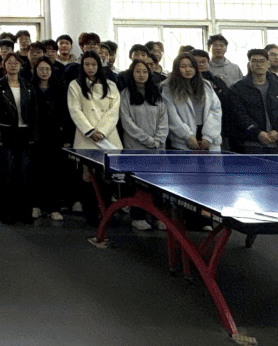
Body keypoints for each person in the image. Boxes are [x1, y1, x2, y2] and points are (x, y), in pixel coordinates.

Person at [118, 59, 169, 230]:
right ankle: (137, 217)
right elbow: (126, 122)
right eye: (138, 71)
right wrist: (146, 139)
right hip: (135, 147)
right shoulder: (125, 94)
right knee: (138, 185)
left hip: (156, 148)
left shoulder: (156, 94)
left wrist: (158, 139)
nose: (141, 74)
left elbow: (163, 119)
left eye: (145, 71)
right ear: (132, 74)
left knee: (157, 185)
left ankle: (157, 217)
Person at [0, 52, 39, 223]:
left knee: (24, 172)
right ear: (4, 65)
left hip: (24, 133)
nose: (13, 65)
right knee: (6, 172)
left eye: (16, 62)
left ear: (20, 66)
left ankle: (24, 212)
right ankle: (6, 212)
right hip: (5, 132)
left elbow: (34, 112)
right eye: (9, 62)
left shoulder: (28, 85)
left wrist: (33, 134)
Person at [226, 49, 278, 153]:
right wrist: (257, 132)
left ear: (268, 64)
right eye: (254, 61)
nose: (259, 64)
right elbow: (238, 115)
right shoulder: (238, 88)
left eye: (262, 61)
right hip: (251, 143)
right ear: (249, 65)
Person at [30, 56, 69, 221]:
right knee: (36, 172)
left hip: (55, 137)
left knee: (54, 173)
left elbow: (65, 114)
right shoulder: (30, 88)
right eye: (41, 69)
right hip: (36, 137)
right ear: (36, 71)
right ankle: (36, 206)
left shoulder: (60, 89)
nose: (44, 72)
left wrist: (65, 137)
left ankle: (54, 207)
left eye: (47, 69)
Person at [161, 54, 222, 152]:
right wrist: (187, 135)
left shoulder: (206, 85)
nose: (188, 69)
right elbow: (171, 115)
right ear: (177, 68)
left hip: (208, 139)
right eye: (183, 67)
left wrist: (208, 137)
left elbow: (215, 110)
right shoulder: (167, 87)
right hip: (182, 141)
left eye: (191, 66)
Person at [66, 52, 122, 150]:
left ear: (99, 65)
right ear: (82, 65)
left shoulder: (111, 85)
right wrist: (90, 131)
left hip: (107, 134)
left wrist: (102, 131)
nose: (90, 68)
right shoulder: (75, 85)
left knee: (111, 159)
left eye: (94, 64)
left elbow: (114, 111)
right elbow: (75, 110)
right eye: (87, 64)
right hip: (86, 135)